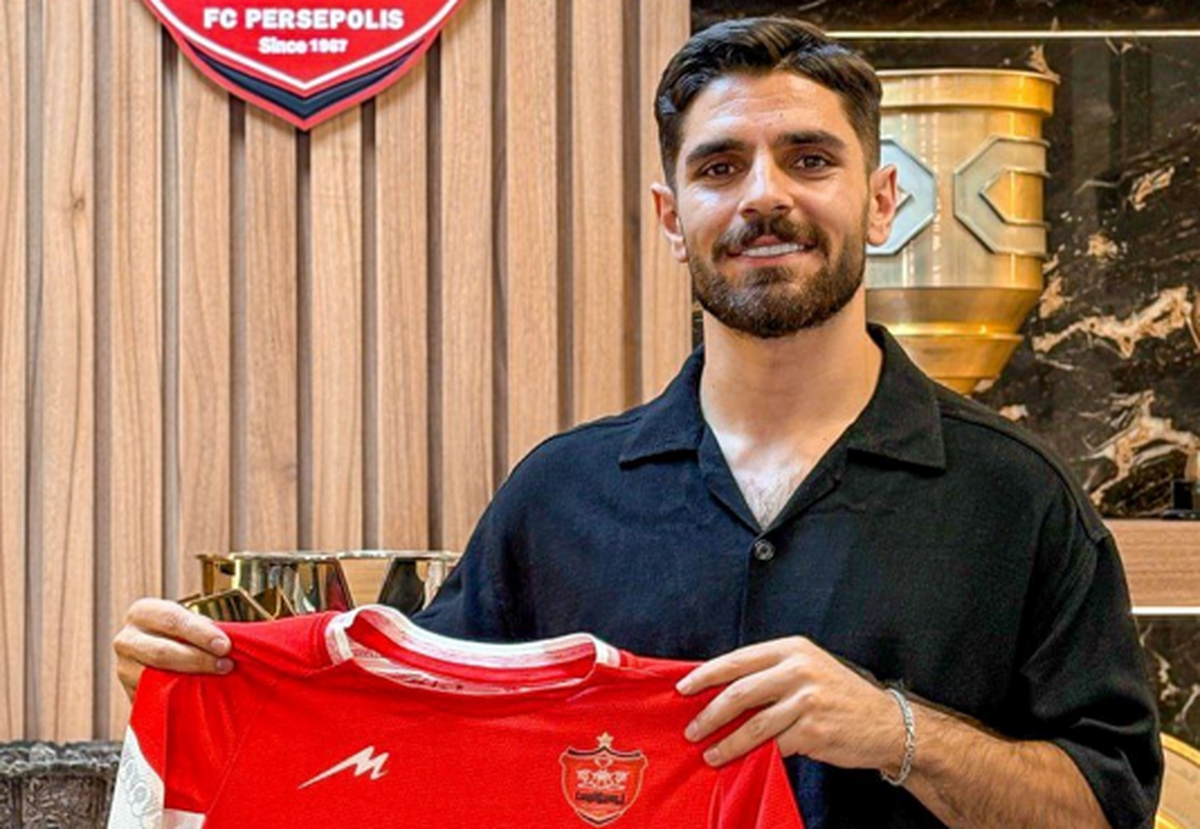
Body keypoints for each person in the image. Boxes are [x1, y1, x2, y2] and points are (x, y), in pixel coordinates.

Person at [114, 16, 1161, 828]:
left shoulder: (1017, 498)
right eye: (719, 167)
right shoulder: (558, 497)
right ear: (671, 217)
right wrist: (212, 682)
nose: (764, 197)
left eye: (809, 159)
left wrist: (896, 732)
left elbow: (1108, 807)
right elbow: (402, 749)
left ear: (882, 201)